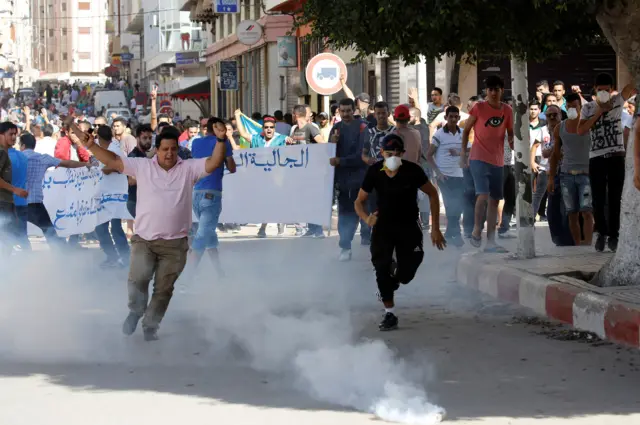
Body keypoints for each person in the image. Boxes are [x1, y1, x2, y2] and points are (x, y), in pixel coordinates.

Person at [70, 124, 227, 341]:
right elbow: (113, 161)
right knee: (137, 281)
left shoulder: (189, 168)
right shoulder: (142, 166)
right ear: (157, 150)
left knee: (163, 290)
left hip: (175, 245)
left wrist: (221, 140)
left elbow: (214, 162)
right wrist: (91, 146)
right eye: (165, 149)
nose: (169, 153)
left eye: (173, 149)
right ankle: (136, 311)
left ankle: (150, 326)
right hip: (144, 241)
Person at [354, 134, 445, 331]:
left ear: (403, 154)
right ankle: (390, 313)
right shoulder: (374, 171)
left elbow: (432, 194)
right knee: (381, 268)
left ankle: (394, 279)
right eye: (389, 153)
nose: (393, 156)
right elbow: (359, 201)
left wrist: (435, 228)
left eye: (397, 153)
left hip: (409, 226)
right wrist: (366, 218)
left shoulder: (413, 171)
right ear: (381, 153)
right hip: (382, 227)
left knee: (406, 273)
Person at [579, 72, 636, 252]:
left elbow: (631, 85)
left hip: (616, 156)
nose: (603, 92)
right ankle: (601, 233)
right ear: (595, 91)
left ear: (611, 90)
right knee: (598, 198)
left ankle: (614, 234)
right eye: (600, 90)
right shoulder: (588, 108)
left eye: (606, 90)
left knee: (614, 197)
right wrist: (599, 112)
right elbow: (581, 130)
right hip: (596, 157)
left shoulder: (618, 101)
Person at [461, 75, 514, 253]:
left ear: (501, 91)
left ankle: (491, 241)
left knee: (495, 200)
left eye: (496, 89)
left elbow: (511, 133)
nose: (492, 92)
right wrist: (463, 153)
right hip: (478, 158)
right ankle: (477, 229)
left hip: (498, 161)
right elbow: (466, 129)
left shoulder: (507, 110)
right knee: (482, 196)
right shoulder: (479, 108)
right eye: (490, 89)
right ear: (486, 91)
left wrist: (516, 146)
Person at [188, 117, 236, 277]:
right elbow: (232, 167)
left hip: (196, 194)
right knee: (202, 235)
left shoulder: (195, 143)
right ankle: (187, 278)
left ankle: (219, 272)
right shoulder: (222, 143)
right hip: (212, 194)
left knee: (208, 234)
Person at [548, 93, 595, 246]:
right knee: (572, 213)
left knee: (587, 212)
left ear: (580, 107)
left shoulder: (588, 126)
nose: (572, 109)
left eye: (574, 106)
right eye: (568, 107)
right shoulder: (559, 128)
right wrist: (551, 178)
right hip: (566, 176)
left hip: (586, 175)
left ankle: (587, 244)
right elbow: (555, 155)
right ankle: (577, 245)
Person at [329, 98, 370, 261]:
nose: (345, 114)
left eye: (348, 110)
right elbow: (329, 154)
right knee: (345, 215)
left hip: (360, 180)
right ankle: (345, 246)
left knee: (364, 214)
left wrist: (342, 161)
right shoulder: (336, 128)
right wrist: (332, 144)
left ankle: (368, 238)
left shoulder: (363, 128)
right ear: (338, 111)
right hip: (343, 181)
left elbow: (363, 156)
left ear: (354, 110)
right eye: (342, 111)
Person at [94, 125, 130, 268]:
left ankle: (125, 257)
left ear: (99, 137)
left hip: (116, 197)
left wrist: (103, 168)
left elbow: (116, 167)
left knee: (115, 228)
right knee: (101, 228)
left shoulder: (114, 150)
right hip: (105, 196)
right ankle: (112, 256)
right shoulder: (105, 151)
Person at [0, 122, 28, 255]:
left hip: (7, 202)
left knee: (7, 239)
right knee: (9, 239)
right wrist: (15, 190)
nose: (13, 137)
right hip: (7, 202)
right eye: (10, 134)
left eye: (15, 135)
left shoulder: (7, 154)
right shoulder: (4, 153)